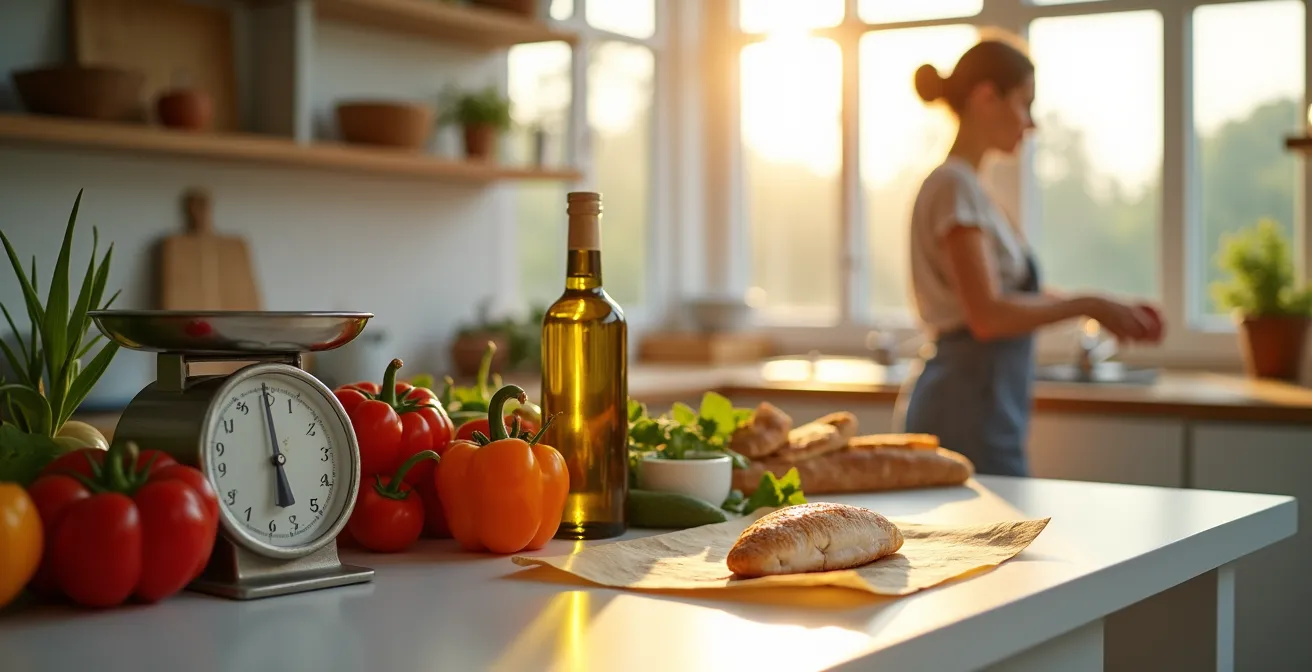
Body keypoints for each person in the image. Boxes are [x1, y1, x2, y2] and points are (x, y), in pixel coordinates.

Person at [893, 36, 1165, 477]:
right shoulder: (954, 187)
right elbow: (987, 315)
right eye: (1025, 103)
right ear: (986, 97)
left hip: (982, 403)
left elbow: (1008, 297)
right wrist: (1088, 303)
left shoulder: (971, 190)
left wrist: (1107, 307)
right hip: (964, 408)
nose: (1031, 123)